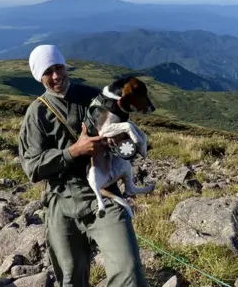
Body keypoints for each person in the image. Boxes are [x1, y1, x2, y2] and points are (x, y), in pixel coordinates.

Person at [18, 44, 148, 287]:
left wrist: (121, 142)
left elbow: (124, 137)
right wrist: (73, 151)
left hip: (105, 194)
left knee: (129, 271)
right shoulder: (36, 114)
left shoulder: (95, 97)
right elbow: (32, 168)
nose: (56, 76)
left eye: (59, 67)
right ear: (39, 76)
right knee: (70, 279)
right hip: (61, 202)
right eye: (48, 72)